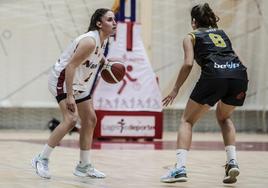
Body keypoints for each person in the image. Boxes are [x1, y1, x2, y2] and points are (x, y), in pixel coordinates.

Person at [160, 3, 248, 184]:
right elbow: (239, 59)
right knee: (224, 118)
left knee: (187, 121)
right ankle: (232, 162)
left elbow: (188, 64)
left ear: (193, 22)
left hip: (214, 76)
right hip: (238, 75)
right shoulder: (223, 34)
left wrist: (175, 89)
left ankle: (179, 169)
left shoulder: (191, 36)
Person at [31, 8, 117, 179]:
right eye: (109, 20)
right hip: (62, 80)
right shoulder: (90, 41)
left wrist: (106, 63)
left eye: (114, 19)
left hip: (79, 83)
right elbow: (70, 66)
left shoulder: (103, 40)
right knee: (70, 119)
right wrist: (70, 95)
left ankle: (84, 166)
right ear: (99, 24)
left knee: (90, 119)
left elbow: (96, 56)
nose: (114, 23)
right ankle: (41, 159)